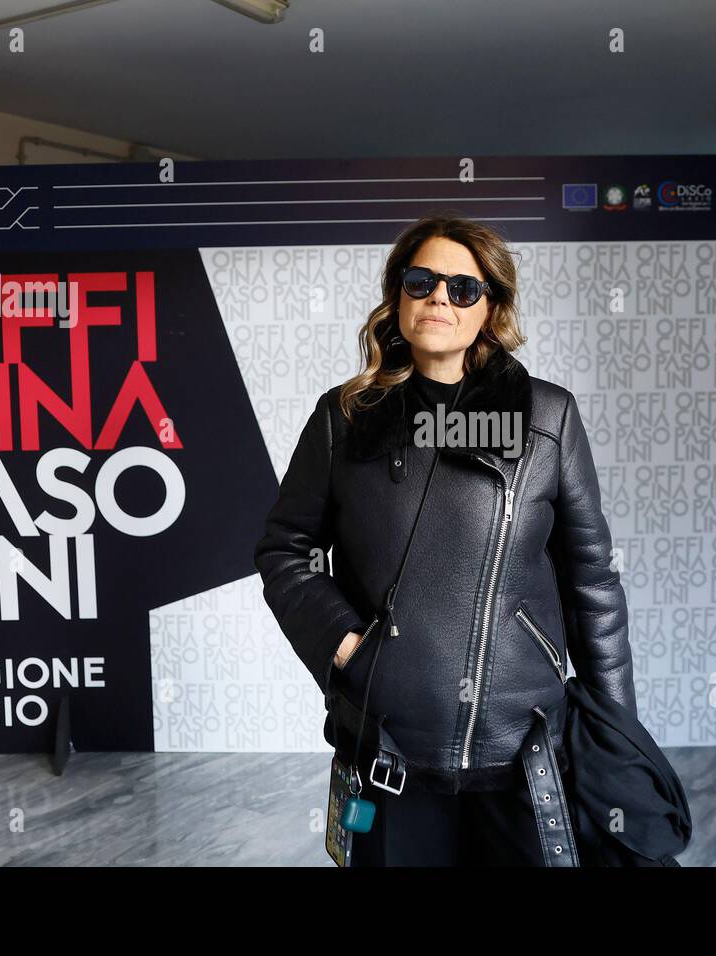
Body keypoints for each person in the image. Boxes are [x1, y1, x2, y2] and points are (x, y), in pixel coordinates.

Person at [253, 213, 635, 866]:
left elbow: (592, 580)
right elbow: (284, 552)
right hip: (388, 745)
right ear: (398, 295)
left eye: (463, 288)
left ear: (489, 309)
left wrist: (620, 738)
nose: (439, 298)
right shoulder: (344, 418)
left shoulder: (547, 417)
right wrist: (348, 645)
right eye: (422, 281)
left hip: (522, 753)